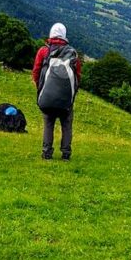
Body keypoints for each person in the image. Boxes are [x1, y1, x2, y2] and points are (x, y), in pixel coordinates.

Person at [32, 22, 82, 161]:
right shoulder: (72, 53)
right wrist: (72, 93)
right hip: (66, 98)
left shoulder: (43, 51)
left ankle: (46, 153)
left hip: (47, 96)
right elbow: (78, 75)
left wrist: (40, 88)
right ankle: (66, 154)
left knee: (48, 123)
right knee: (66, 124)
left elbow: (36, 72)